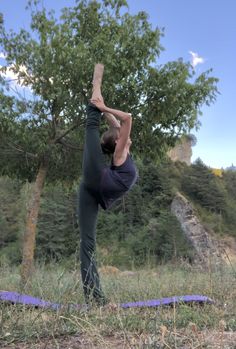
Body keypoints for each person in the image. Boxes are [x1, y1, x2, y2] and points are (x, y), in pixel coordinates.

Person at [78, 64, 138, 306]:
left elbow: (117, 124)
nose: (127, 136)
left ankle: (95, 299)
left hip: (92, 190)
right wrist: (100, 107)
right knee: (90, 124)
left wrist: (103, 108)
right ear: (118, 142)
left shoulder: (120, 150)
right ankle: (95, 298)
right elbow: (127, 118)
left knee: (88, 243)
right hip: (97, 178)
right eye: (122, 136)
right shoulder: (120, 152)